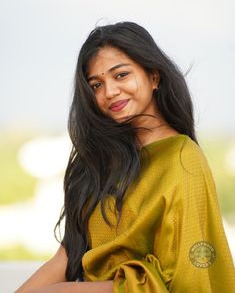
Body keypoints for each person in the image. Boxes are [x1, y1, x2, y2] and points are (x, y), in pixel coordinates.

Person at [16, 21, 235, 292]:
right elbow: (70, 253)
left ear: (153, 77)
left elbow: (186, 274)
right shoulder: (105, 160)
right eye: (96, 85)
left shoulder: (182, 159)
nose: (109, 92)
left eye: (120, 75)